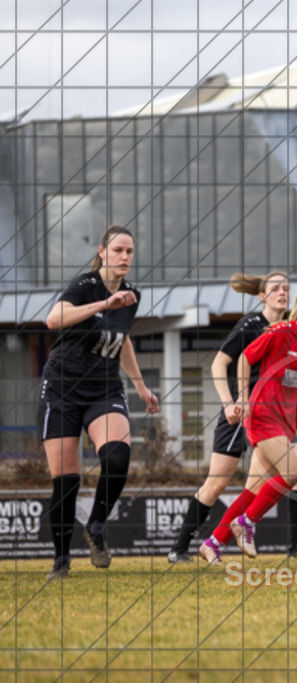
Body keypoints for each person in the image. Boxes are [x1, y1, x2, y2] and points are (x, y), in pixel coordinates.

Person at [167, 271, 297, 563]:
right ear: (262, 295)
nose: (283, 292)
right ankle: (180, 548)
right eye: (276, 288)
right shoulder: (251, 324)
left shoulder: (292, 329)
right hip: (242, 413)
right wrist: (230, 402)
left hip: (275, 417)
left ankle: (296, 546)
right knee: (217, 483)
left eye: (287, 288)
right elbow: (219, 363)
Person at [198, 284, 297, 565]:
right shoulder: (280, 333)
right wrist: (243, 398)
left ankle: (213, 543)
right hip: (263, 415)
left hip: (287, 422)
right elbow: (244, 359)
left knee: (254, 490)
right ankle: (246, 523)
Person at [38, 225, 160, 579]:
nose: (125, 257)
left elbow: (121, 340)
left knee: (118, 456)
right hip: (61, 389)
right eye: (118, 250)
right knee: (66, 481)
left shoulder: (132, 294)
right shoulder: (84, 286)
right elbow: (53, 319)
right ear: (103, 252)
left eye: (130, 252)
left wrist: (140, 386)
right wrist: (105, 303)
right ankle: (61, 560)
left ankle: (95, 525)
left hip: (104, 388)